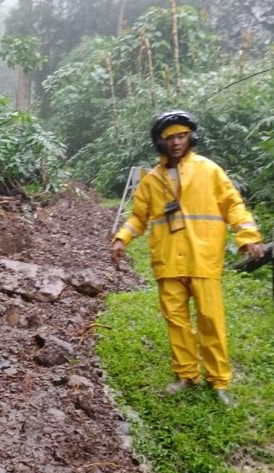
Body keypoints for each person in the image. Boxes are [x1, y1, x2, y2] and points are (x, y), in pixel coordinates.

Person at [110, 110, 265, 406]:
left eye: (181, 136)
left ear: (191, 137)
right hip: (168, 261)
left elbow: (233, 205)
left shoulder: (209, 170)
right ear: (160, 142)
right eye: (170, 138)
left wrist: (248, 236)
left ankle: (219, 381)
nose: (177, 142)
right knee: (176, 322)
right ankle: (186, 374)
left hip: (202, 259)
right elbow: (138, 217)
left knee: (211, 320)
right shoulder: (152, 180)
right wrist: (121, 239)